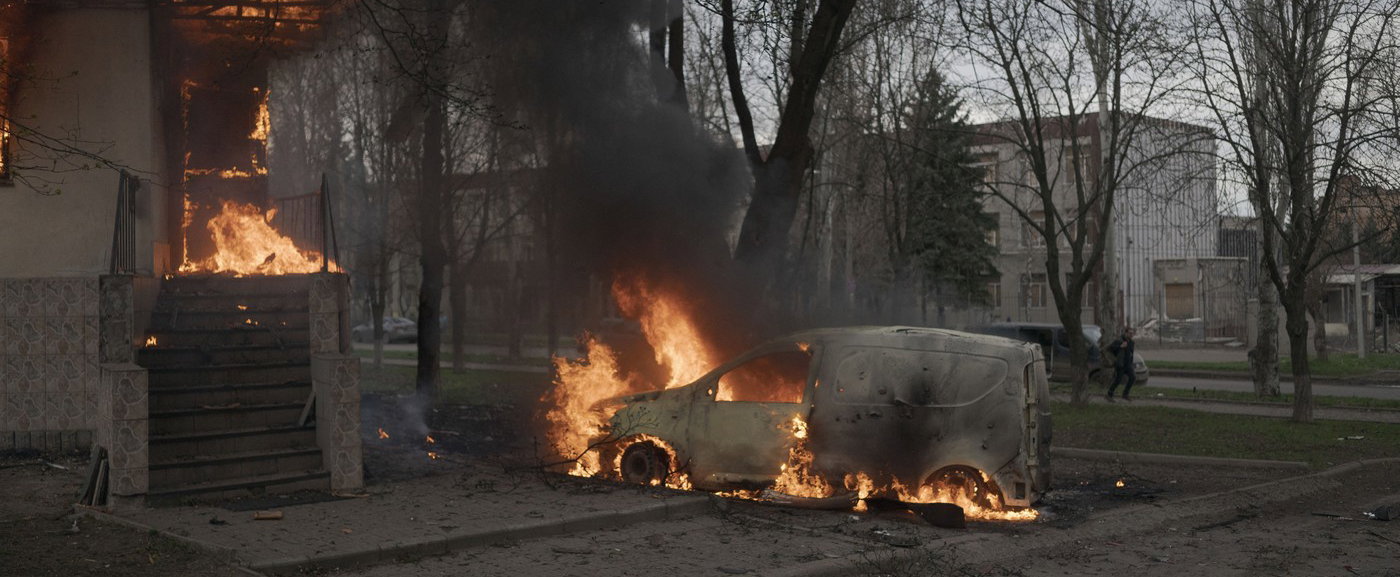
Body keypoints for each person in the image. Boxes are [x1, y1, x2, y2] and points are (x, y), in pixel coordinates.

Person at [1105, 327, 1136, 402]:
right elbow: (1109, 348)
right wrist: (1120, 347)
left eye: (1132, 333)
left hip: (1128, 365)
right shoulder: (1119, 340)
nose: (1131, 335)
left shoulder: (1131, 342)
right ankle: (1109, 395)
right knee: (1118, 380)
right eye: (1130, 333)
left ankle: (1125, 394)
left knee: (1133, 377)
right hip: (1120, 364)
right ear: (1125, 333)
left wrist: (1131, 363)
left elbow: (1131, 353)